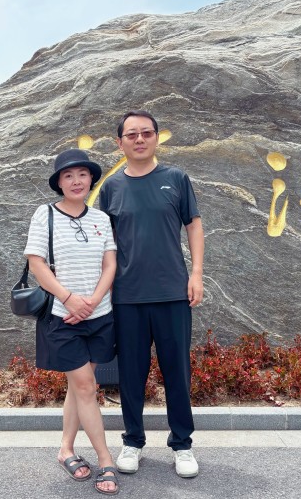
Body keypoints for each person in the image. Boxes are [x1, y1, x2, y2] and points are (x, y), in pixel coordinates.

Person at [99, 110, 205, 478]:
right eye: (132, 135)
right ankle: (132, 441)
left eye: (146, 133)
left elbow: (194, 226)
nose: (140, 139)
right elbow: (105, 244)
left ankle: (182, 445)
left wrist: (196, 273)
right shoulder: (111, 188)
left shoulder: (175, 179)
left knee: (177, 371)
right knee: (131, 374)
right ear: (120, 143)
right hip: (127, 296)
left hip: (172, 293)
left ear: (157, 137)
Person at [24, 149, 120, 495]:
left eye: (82, 174)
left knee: (79, 387)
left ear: (91, 179)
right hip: (63, 318)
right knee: (85, 388)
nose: (76, 181)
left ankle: (65, 449)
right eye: (68, 175)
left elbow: (110, 264)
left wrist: (92, 300)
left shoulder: (101, 219)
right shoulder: (45, 214)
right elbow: (36, 263)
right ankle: (106, 460)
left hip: (100, 315)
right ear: (59, 183)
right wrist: (69, 299)